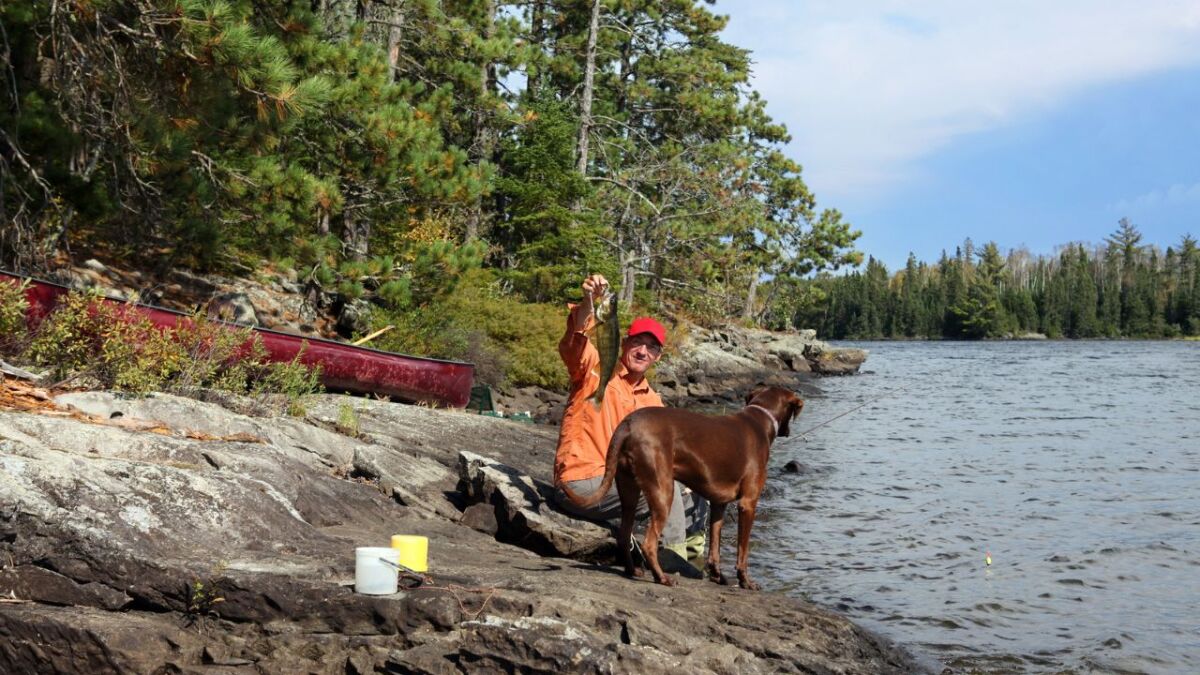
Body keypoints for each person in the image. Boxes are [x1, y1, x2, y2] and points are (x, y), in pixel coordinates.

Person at [551, 273, 703, 559]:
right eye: (637, 343)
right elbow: (574, 342)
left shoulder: (654, 402)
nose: (643, 351)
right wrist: (588, 301)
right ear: (624, 344)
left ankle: (692, 560)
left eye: (651, 347)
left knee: (696, 490)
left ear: (658, 356)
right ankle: (674, 561)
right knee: (664, 493)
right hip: (580, 480)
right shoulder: (595, 369)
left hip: (616, 483)